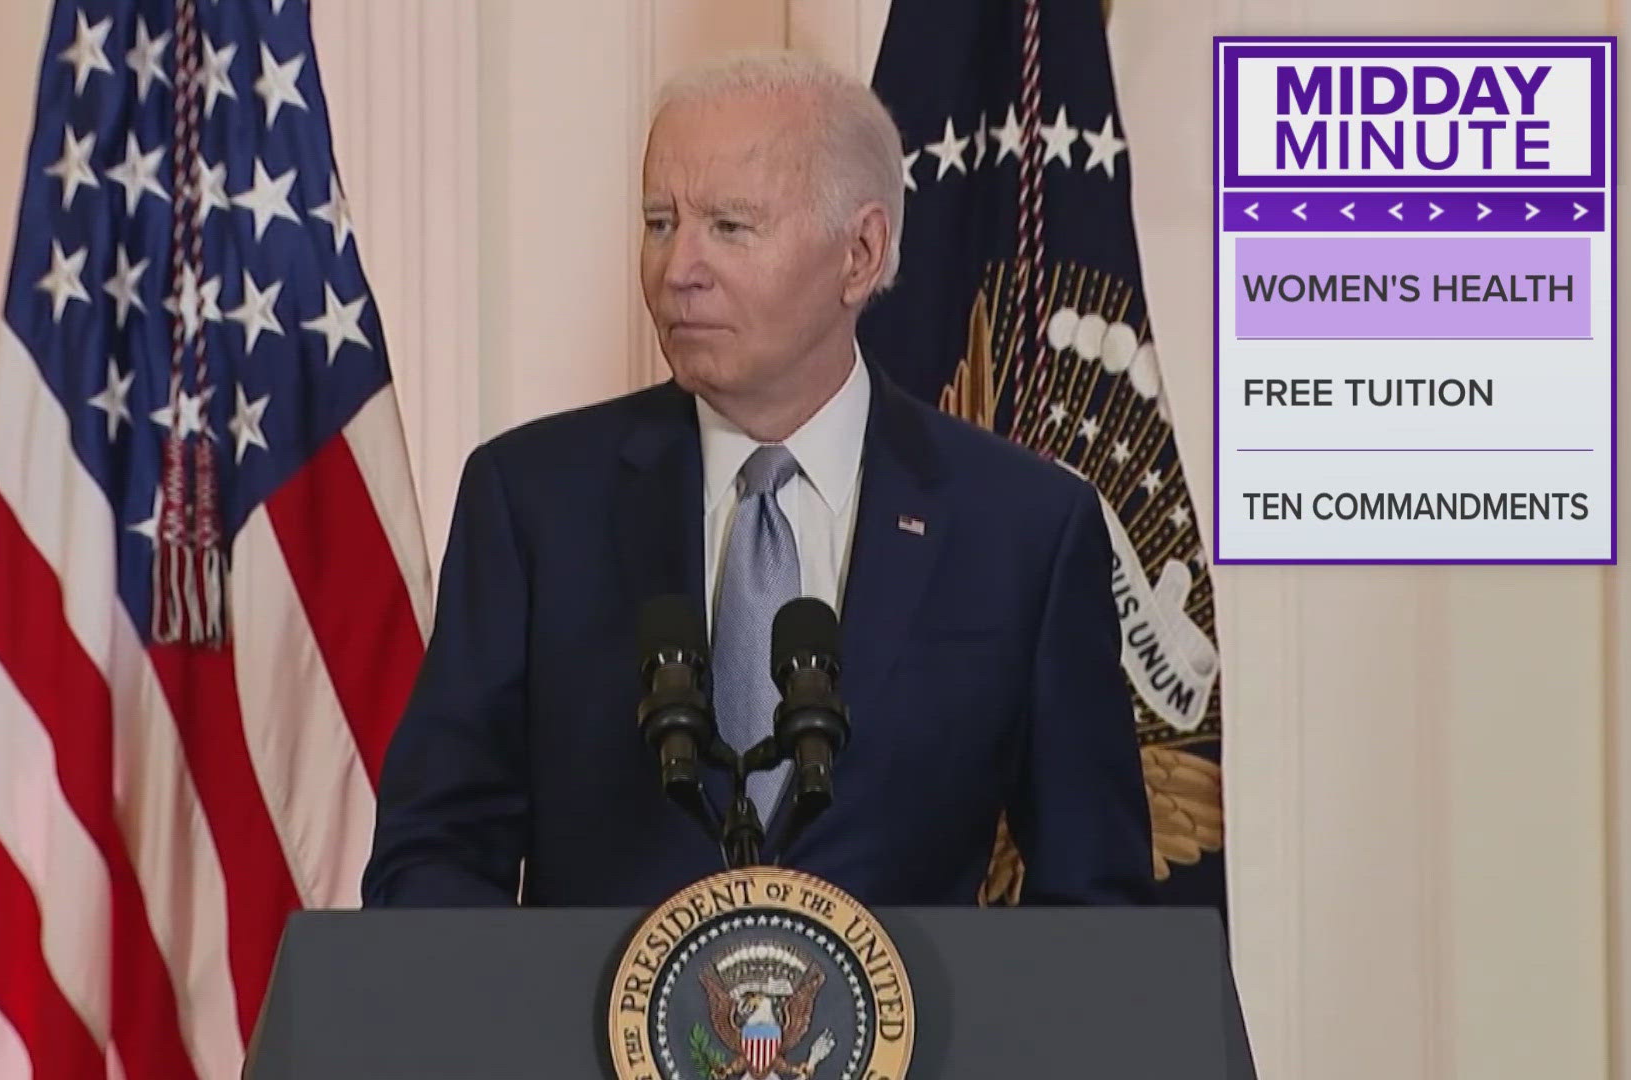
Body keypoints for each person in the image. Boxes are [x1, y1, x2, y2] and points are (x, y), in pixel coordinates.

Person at [362, 51, 1152, 908]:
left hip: (918, 1043)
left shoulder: (1025, 528)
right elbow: (431, 858)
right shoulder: (531, 503)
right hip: (580, 1040)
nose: (678, 269)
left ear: (859, 253)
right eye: (660, 222)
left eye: (730, 227)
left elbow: (1096, 908)